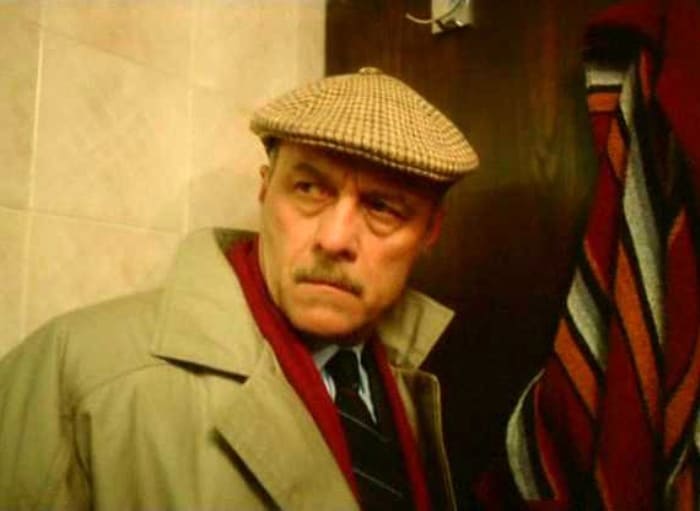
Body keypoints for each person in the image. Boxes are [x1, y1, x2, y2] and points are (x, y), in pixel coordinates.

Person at [0, 67, 478, 510]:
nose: (334, 239)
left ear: (430, 231)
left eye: (383, 208)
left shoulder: (417, 383)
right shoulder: (79, 371)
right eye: (309, 189)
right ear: (265, 190)